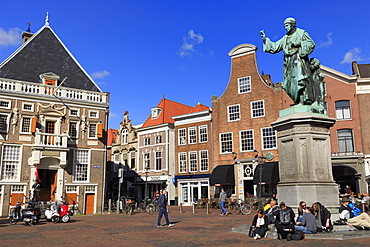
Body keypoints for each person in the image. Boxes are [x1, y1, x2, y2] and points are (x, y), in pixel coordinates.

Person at [261, 17, 324, 110]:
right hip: (289, 63)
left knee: (300, 80)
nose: (286, 28)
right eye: (285, 26)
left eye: (287, 25)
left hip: (299, 60)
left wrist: (299, 44)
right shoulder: (285, 37)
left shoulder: (301, 33)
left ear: (292, 25)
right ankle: (298, 101)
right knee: (288, 84)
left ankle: (303, 102)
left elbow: (311, 44)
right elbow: (275, 47)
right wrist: (265, 39)